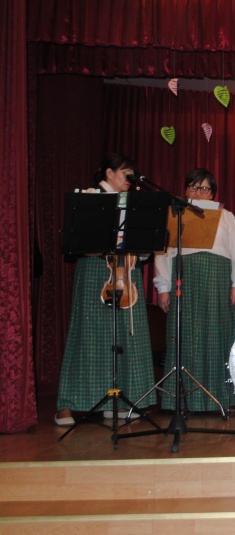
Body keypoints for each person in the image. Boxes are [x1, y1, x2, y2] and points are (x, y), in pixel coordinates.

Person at [55, 153, 155, 426]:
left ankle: (119, 401)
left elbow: (146, 250)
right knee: (89, 336)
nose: (129, 179)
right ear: (109, 173)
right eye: (125, 173)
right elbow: (77, 240)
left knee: (127, 336)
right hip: (97, 270)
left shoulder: (134, 204)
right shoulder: (89, 197)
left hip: (127, 273)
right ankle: (69, 403)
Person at [154, 168, 235, 412]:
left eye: (204, 188)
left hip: (217, 280)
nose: (198, 192)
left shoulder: (226, 216)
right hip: (184, 279)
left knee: (217, 335)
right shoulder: (175, 215)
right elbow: (163, 254)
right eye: (193, 187)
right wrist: (163, 287)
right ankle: (183, 400)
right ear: (186, 190)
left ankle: (221, 398)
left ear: (212, 193)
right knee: (186, 335)